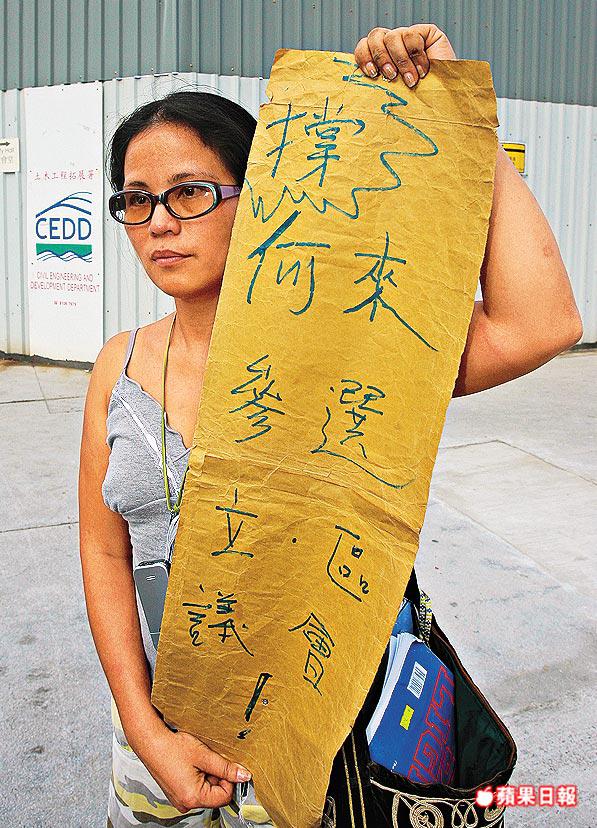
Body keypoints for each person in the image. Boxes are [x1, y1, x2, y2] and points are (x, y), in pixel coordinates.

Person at [78, 23, 583, 828]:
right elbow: (106, 551)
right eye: (136, 200)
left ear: (260, 195)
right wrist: (144, 730)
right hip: (161, 739)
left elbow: (541, 323)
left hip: (317, 742)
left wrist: (459, 113)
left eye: (189, 192)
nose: (160, 222)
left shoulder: (352, 346)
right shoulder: (120, 363)